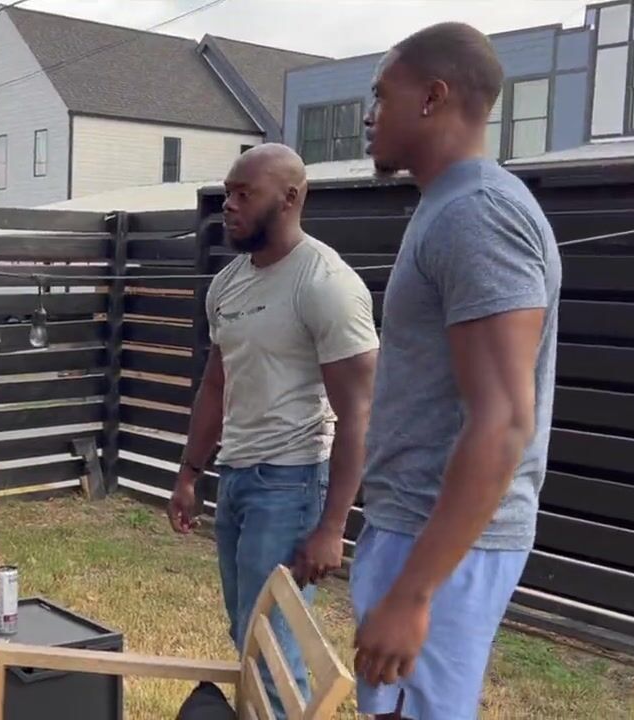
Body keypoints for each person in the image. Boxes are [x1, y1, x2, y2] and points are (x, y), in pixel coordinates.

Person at [354, 22, 562, 720]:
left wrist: (415, 593)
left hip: (439, 543)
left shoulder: (477, 215)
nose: (369, 116)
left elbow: (503, 422)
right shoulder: (447, 205)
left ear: (432, 97)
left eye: (381, 95)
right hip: (415, 528)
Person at [167, 143, 380, 718]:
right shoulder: (227, 284)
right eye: (227, 193)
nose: (229, 206)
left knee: (272, 651)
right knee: (246, 633)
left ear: (289, 198)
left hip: (292, 483)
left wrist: (332, 526)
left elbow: (359, 413)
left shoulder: (326, 284)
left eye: (244, 194)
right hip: (237, 477)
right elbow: (217, 384)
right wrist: (189, 474)